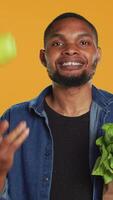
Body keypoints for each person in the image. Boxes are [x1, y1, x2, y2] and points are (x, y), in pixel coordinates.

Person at [0, 12, 113, 200]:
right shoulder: (14, 120)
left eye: (83, 42)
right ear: (43, 58)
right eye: (57, 43)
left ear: (98, 55)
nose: (70, 50)